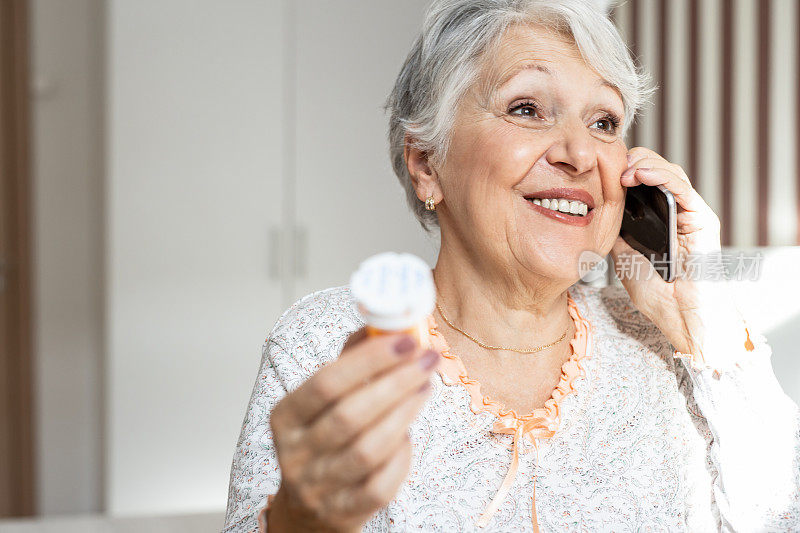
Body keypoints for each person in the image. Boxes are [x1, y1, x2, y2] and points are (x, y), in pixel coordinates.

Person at [223, 0, 800, 531]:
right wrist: (301, 515)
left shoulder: (671, 346)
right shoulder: (323, 342)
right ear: (427, 162)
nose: (579, 155)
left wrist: (706, 329)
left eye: (604, 123)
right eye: (527, 109)